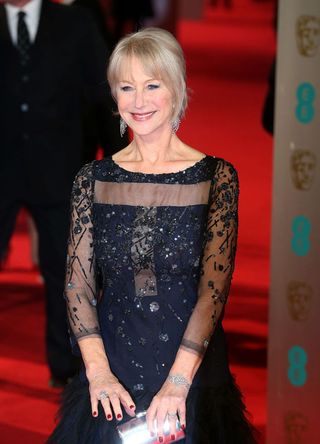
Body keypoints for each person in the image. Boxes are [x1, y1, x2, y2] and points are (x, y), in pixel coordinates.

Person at [48, 27, 257, 443]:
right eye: (126, 87)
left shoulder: (215, 178)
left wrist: (178, 383)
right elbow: (77, 286)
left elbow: (212, 293)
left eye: (152, 85)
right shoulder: (93, 178)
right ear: (114, 96)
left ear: (176, 90)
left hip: (191, 375)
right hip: (114, 374)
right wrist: (99, 373)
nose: (138, 101)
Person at [0, 0, 125, 387]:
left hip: (58, 170)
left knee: (66, 274)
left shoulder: (73, 23)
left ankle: (67, 368)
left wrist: (120, 165)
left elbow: (104, 96)